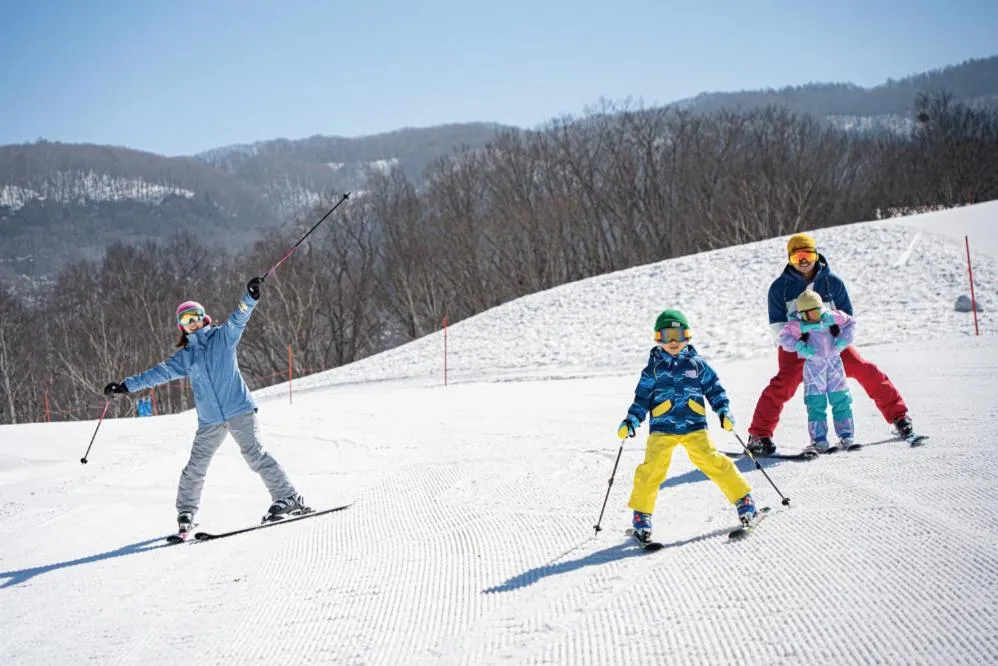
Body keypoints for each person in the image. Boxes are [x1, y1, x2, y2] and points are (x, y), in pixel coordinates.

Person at [103, 277, 307, 536]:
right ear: (181, 327)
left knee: (255, 454)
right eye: (187, 320)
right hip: (210, 419)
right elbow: (157, 374)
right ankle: (186, 512)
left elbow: (239, 317)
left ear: (204, 318)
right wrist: (125, 386)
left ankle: (288, 497)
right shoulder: (186, 357)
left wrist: (250, 297)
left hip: (238, 409)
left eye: (196, 317)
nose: (193, 323)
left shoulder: (223, 337)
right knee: (196, 465)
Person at [747, 233, 915, 455]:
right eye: (797, 258)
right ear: (790, 260)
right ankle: (759, 435)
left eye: (807, 255)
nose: (804, 261)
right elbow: (778, 329)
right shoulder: (780, 288)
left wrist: (835, 341)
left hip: (831, 343)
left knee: (865, 370)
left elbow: (847, 317)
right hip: (797, 347)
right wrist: (801, 343)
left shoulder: (832, 283)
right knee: (784, 383)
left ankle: (899, 417)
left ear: (816, 255)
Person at [617, 309, 757, 544]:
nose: (673, 342)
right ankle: (642, 514)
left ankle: (744, 499)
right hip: (662, 428)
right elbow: (641, 399)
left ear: (687, 336)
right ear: (657, 338)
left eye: (678, 335)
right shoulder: (652, 370)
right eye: (666, 335)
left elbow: (714, 389)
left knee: (714, 461)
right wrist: (632, 419)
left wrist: (723, 411)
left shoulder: (697, 365)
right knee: (651, 471)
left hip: (694, 426)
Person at [778, 289, 857, 454]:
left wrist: (842, 342)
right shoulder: (798, 324)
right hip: (814, 368)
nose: (811, 317)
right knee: (816, 403)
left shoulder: (832, 317)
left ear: (820, 309)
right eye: (806, 315)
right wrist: (801, 347)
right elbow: (784, 338)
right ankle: (819, 440)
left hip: (834, 365)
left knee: (841, 399)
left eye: (814, 312)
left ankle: (846, 435)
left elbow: (851, 322)